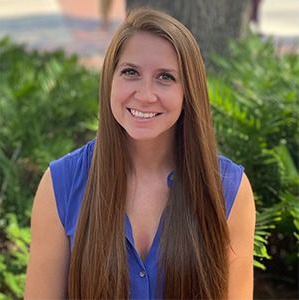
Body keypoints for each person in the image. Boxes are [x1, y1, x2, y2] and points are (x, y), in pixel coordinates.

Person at [24, 7, 256, 299]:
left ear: (189, 92)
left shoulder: (228, 189)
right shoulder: (60, 185)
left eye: (165, 77)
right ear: (110, 78)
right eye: (131, 72)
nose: (145, 95)